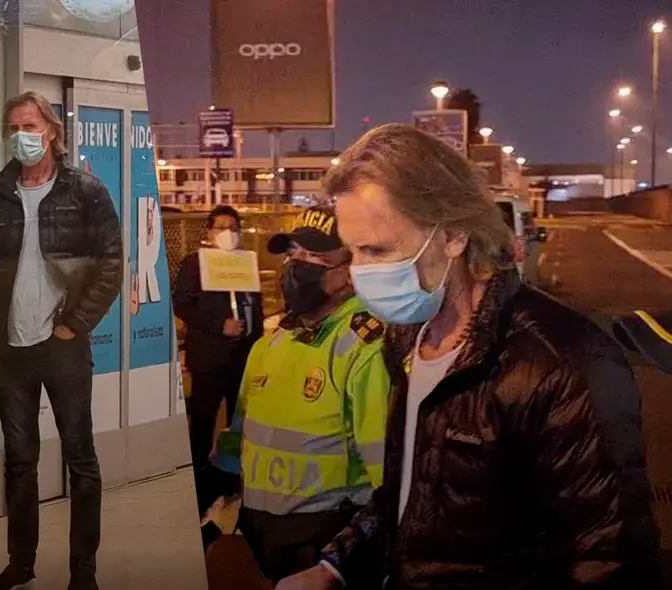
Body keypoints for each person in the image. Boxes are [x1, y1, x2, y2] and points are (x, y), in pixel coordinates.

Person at [277, 123, 661, 590]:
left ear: (454, 235)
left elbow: (607, 558)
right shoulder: (404, 339)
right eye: (353, 252)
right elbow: (412, 493)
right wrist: (335, 566)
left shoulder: (561, 362)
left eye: (379, 249)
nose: (360, 274)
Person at [0, 90, 122, 590]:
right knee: (19, 460)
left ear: (51, 130)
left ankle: (83, 572)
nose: (20, 136)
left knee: (80, 457)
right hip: (10, 344)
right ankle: (21, 563)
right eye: (13, 128)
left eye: (29, 126)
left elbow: (111, 264)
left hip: (63, 341)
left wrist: (77, 323)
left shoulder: (86, 191)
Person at [205, 204, 390, 585]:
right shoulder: (271, 343)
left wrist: (338, 564)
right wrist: (204, 488)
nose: (296, 266)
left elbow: (390, 480)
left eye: (314, 256)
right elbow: (239, 439)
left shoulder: (366, 348)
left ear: (351, 271)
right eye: (293, 254)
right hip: (260, 539)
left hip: (324, 544)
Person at [173, 205, 264, 520]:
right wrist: (218, 325)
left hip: (243, 358)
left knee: (244, 419)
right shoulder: (194, 264)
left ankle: (236, 477)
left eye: (233, 226)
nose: (227, 232)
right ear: (209, 232)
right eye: (220, 226)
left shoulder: (246, 264)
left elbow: (257, 305)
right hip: (210, 357)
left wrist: (258, 342)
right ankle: (197, 480)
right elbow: (182, 303)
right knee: (203, 420)